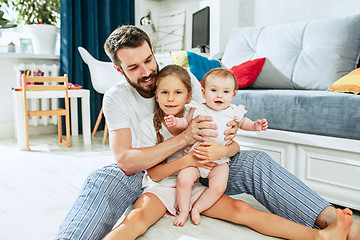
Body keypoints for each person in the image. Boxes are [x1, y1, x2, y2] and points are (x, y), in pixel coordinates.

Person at [56, 25, 360, 240]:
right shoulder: (116, 97)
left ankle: (334, 223)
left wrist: (227, 150)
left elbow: (218, 128)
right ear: (120, 70)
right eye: (134, 67)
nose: (147, 71)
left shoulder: (182, 77)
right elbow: (125, 160)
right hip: (144, 170)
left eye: (149, 59)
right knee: (102, 178)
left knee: (256, 161)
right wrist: (184, 141)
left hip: (203, 162)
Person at [102, 64, 353, 240]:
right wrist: (189, 158)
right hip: (160, 188)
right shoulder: (150, 126)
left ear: (190, 96)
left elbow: (228, 141)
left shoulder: (199, 113)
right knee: (135, 220)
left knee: (243, 211)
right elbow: (155, 175)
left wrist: (226, 147)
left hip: (197, 183)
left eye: (177, 92)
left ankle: (319, 236)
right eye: (164, 93)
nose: (170, 98)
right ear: (156, 96)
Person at [164, 68, 268, 226]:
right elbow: (185, 123)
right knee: (183, 179)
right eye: (214, 90)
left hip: (219, 162)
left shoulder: (234, 112)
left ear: (233, 95)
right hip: (196, 157)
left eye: (225, 91)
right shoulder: (198, 109)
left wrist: (255, 125)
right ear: (204, 92)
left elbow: (244, 123)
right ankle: (184, 210)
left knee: (219, 187)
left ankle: (197, 208)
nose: (219, 95)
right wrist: (175, 122)